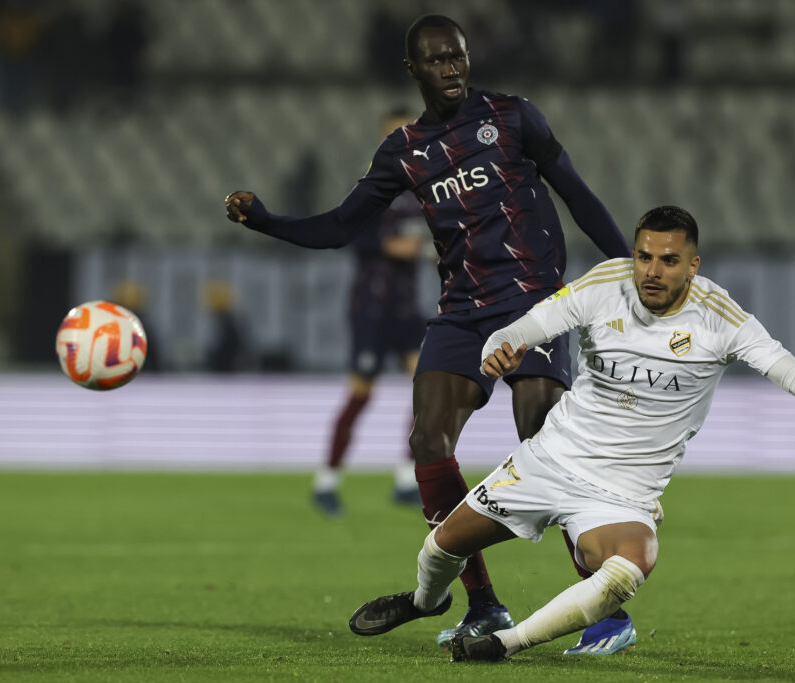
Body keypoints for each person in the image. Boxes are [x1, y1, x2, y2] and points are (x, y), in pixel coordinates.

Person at [224, 14, 633, 652]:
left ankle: (607, 611)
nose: (451, 69)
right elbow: (339, 226)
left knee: (541, 434)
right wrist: (266, 222)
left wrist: (627, 269)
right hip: (463, 312)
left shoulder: (515, 116)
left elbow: (578, 197)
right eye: (437, 61)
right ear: (414, 70)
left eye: (458, 57)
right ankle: (485, 605)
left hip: (534, 303)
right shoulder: (404, 152)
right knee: (428, 443)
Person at [347, 205, 795, 661]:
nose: (652, 272)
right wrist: (503, 345)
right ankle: (423, 602)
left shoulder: (718, 316)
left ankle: (505, 642)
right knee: (439, 549)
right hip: (547, 462)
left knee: (631, 567)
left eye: (669, 261)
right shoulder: (606, 283)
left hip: (623, 492)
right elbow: (534, 322)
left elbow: (776, 358)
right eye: (643, 256)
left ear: (693, 267)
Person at [314, 109, 429, 517]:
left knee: (427, 391)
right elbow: (346, 235)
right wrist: (388, 248)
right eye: (392, 135)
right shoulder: (369, 189)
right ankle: (326, 481)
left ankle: (404, 478)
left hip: (406, 308)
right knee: (361, 395)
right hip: (370, 308)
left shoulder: (425, 192)